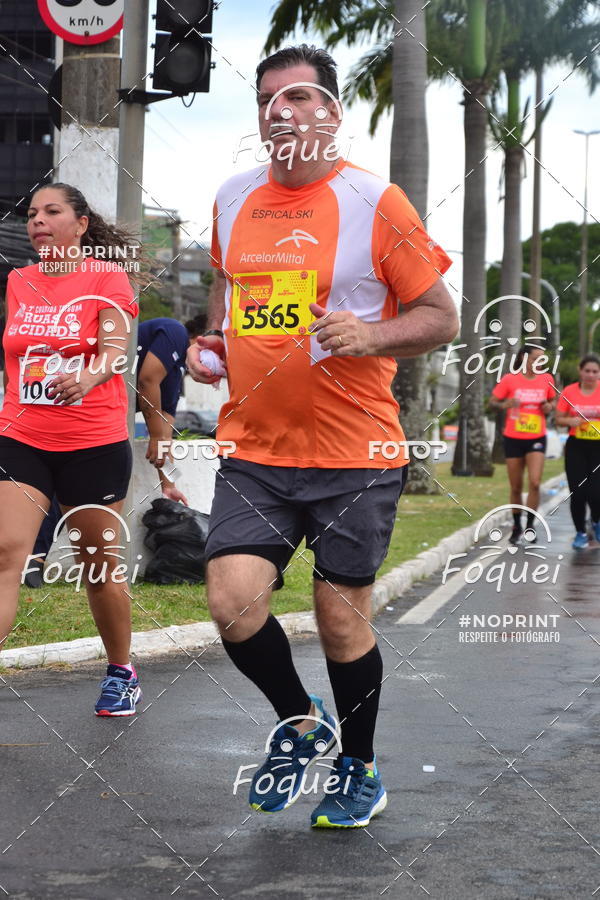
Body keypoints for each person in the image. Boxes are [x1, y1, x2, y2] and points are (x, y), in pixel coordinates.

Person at [187, 45, 458, 828]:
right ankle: (300, 721)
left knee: (341, 618)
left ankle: (360, 766)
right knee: (233, 601)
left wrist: (371, 336)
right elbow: (228, 297)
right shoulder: (234, 196)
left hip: (355, 453)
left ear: (331, 113)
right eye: (268, 100)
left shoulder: (378, 202)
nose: (282, 112)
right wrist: (213, 342)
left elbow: (440, 317)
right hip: (256, 449)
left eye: (299, 97)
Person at [0, 182, 142, 716]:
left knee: (99, 569)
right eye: (33, 212)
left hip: (92, 442)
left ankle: (121, 671)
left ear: (80, 224)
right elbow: (16, 353)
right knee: (4, 554)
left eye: (51, 211)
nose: (38, 220)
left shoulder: (106, 277)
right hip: (21, 435)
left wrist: (88, 376)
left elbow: (114, 348)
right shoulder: (19, 280)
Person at [490, 345, 556, 545]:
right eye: (536, 358)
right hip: (513, 437)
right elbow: (492, 402)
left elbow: (554, 401)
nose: (540, 363)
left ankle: (530, 525)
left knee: (535, 482)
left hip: (536, 436)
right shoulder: (510, 379)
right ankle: (517, 525)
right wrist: (504, 405)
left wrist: (549, 406)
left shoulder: (547, 379)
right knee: (516, 486)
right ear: (524, 358)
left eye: (542, 360)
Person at [136, 316, 192, 505]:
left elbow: (165, 438)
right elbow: (147, 380)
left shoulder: (175, 373)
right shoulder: (176, 331)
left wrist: (169, 486)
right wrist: (156, 436)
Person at [555, 354, 600, 549]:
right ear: (580, 371)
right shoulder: (569, 391)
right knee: (578, 491)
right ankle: (580, 532)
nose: (590, 375)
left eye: (595, 371)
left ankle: (596, 522)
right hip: (576, 446)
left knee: (596, 492)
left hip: (598, 447)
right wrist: (570, 421)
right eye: (587, 371)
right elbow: (558, 419)